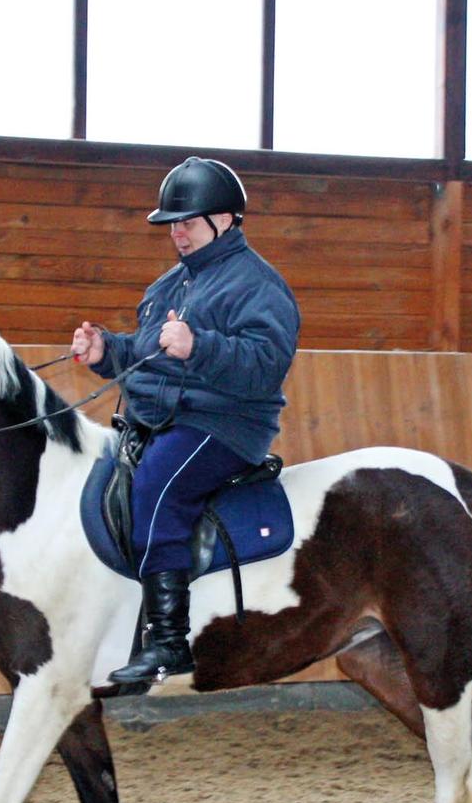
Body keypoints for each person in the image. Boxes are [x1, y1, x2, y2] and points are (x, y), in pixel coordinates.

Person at [71, 156, 301, 686]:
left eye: (188, 223)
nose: (178, 233)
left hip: (223, 423)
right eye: (172, 224)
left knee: (158, 486)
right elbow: (146, 354)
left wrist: (200, 346)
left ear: (226, 221)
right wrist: (106, 350)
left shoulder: (258, 286)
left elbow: (265, 363)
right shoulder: (168, 287)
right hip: (160, 418)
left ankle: (169, 642)